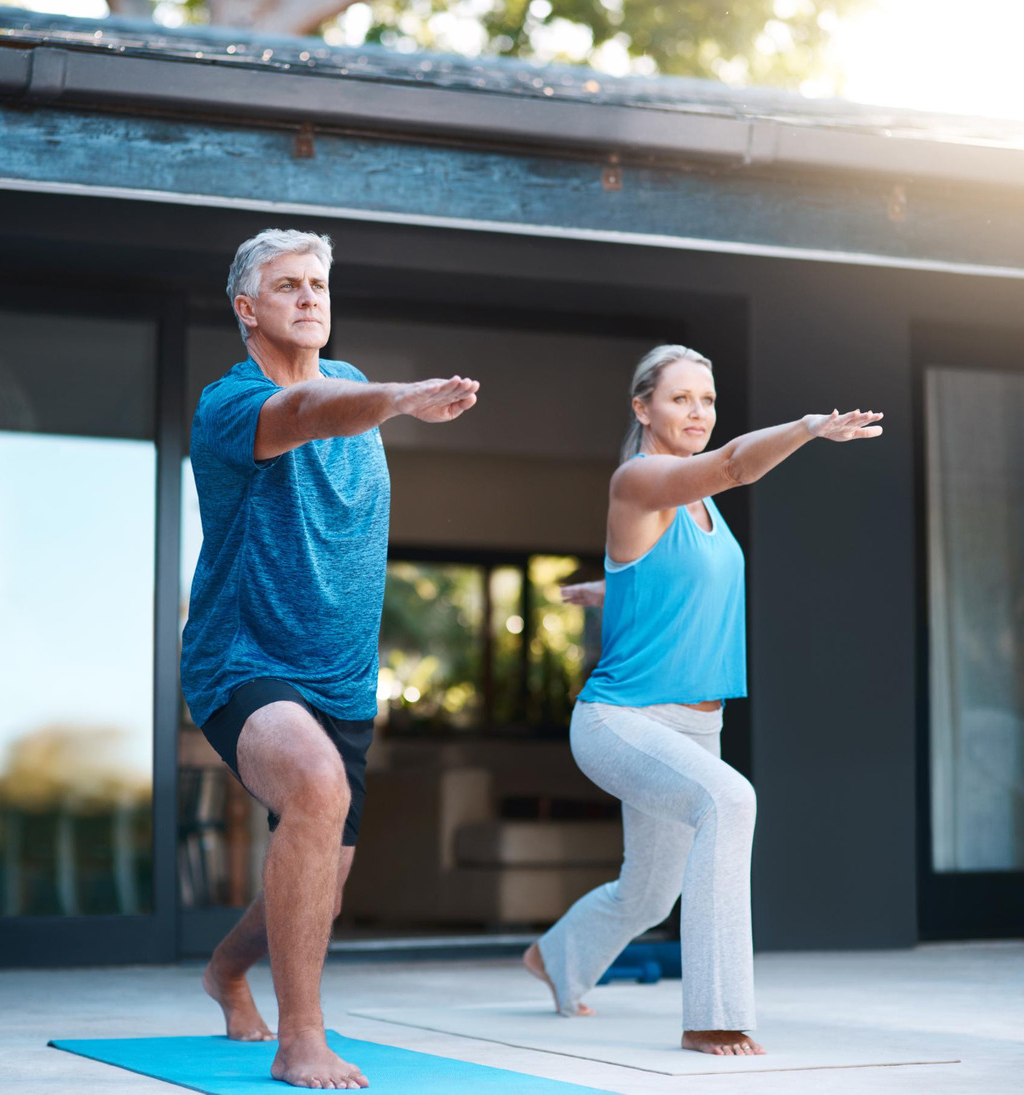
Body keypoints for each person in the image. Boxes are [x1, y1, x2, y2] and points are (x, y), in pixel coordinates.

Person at [181, 228, 479, 1089]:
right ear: (247, 309)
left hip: (341, 674)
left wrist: (379, 395)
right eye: (287, 286)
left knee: (319, 885)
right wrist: (401, 397)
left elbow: (334, 395)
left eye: (317, 283)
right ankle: (301, 1036)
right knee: (314, 786)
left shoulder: (350, 381)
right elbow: (308, 415)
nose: (309, 297)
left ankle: (225, 970)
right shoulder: (229, 403)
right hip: (243, 658)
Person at [523, 344, 882, 1056]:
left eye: (707, 400)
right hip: (620, 720)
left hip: (695, 727)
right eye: (680, 398)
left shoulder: (701, 506)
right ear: (642, 407)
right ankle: (713, 1014)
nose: (697, 412)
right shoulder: (641, 479)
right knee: (728, 800)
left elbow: (669, 577)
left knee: (649, 891)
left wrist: (604, 590)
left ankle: (556, 958)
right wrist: (808, 425)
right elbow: (732, 463)